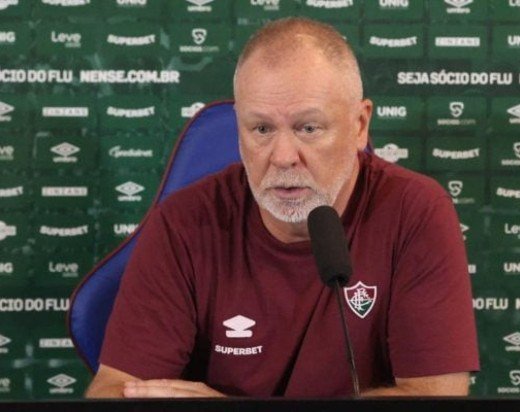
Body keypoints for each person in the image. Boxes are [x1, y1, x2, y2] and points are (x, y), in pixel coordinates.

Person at [85, 17, 479, 398]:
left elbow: (435, 398)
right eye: (262, 129)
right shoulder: (184, 223)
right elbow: (114, 390)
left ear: (359, 125)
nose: (283, 157)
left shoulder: (415, 212)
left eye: (308, 128)